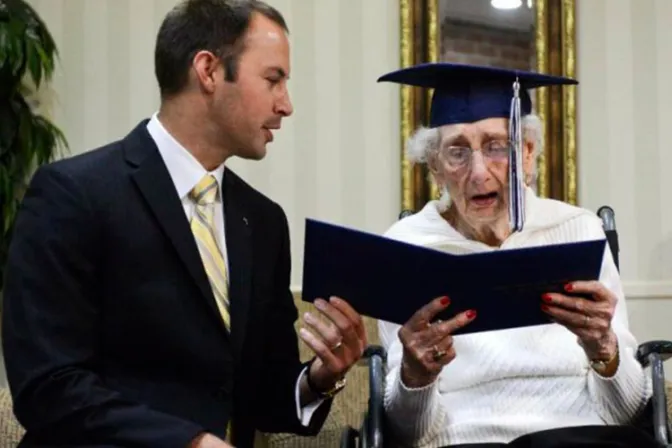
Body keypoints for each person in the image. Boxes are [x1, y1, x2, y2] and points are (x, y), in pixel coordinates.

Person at [1, 1, 367, 447]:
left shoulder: (264, 222)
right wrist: (190, 442)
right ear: (209, 70)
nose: (286, 105)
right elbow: (47, 387)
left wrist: (320, 376)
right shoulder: (72, 195)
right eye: (273, 79)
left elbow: (261, 395)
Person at [374, 63, 656, 447]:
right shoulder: (403, 249)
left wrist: (603, 347)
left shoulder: (578, 231)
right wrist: (415, 377)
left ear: (527, 154)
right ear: (435, 168)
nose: (478, 173)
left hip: (581, 439)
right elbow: (408, 434)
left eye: (496, 147)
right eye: (457, 152)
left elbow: (626, 413)